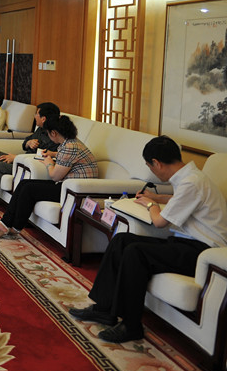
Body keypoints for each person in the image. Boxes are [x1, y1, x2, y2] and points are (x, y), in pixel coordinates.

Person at [69, 136, 227, 344]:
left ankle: (131, 326)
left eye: (149, 166)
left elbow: (159, 221)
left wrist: (151, 205)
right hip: (186, 243)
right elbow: (179, 199)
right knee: (121, 241)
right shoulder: (190, 177)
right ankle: (103, 309)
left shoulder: (192, 182)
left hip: (204, 252)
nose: (152, 171)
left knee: (135, 252)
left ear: (156, 163)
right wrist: (156, 198)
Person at [0, 115, 98, 238]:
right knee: (24, 183)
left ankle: (13, 227)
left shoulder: (70, 147)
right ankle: (5, 224)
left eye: (48, 133)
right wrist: (52, 154)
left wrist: (49, 163)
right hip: (68, 187)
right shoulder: (71, 142)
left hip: (73, 192)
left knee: (28, 189)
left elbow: (55, 176)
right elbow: (64, 156)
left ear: (53, 133)